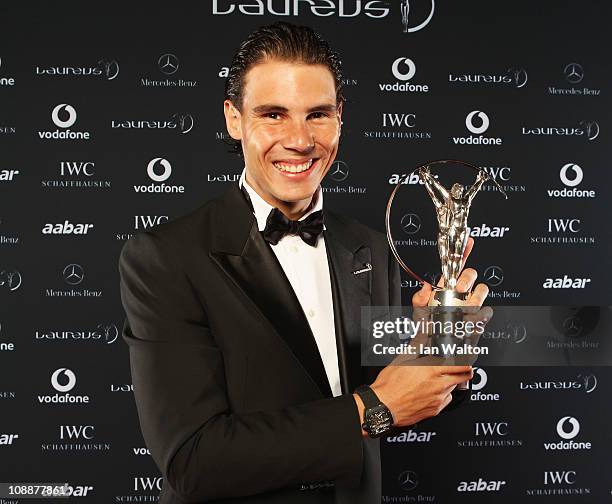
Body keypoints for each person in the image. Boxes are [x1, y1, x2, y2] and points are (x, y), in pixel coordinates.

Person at [119, 21, 488, 504]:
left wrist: (437, 346)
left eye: (318, 114)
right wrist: (373, 408)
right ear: (234, 119)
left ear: (341, 118)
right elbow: (194, 460)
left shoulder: (370, 248)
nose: (299, 140)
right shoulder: (165, 258)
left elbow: (405, 396)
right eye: (273, 114)